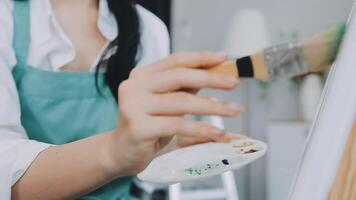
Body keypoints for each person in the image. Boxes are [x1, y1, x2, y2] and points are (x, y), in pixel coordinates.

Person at [0, 0, 242, 199]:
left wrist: (170, 146)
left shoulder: (149, 28)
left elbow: (145, 172)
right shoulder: (6, 19)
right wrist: (113, 152)